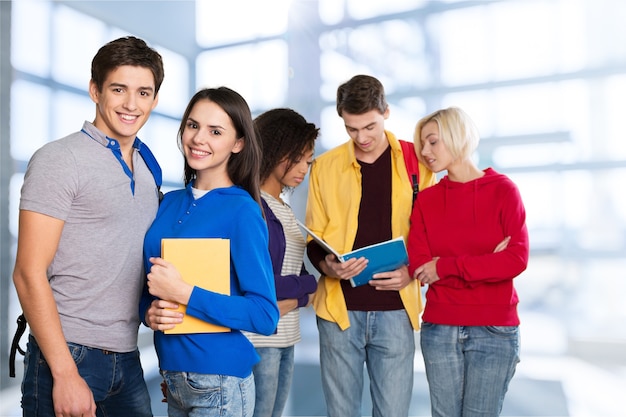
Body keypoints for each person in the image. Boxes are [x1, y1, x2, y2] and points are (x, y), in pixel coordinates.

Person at [11, 36, 164, 417]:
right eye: (119, 89)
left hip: (129, 357)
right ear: (95, 90)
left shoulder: (148, 167)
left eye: (143, 92)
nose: (132, 104)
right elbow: (28, 273)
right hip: (68, 354)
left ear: (155, 99)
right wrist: (64, 374)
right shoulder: (60, 159)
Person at [140, 87, 280, 417]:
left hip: (221, 382)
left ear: (238, 143)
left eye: (215, 131)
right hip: (173, 378)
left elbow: (264, 315)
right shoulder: (168, 202)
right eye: (193, 126)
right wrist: (149, 313)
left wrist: (184, 292)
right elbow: (149, 284)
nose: (198, 138)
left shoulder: (242, 211)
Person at [304, 74, 436, 417]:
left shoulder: (417, 163)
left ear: (387, 113)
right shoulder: (325, 167)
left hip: (396, 312)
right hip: (338, 312)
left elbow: (433, 234)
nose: (361, 137)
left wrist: (411, 273)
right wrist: (329, 266)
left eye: (370, 127)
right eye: (351, 129)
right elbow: (313, 239)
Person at [407, 106, 529, 417]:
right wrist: (487, 262)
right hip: (440, 328)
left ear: (456, 136)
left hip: (494, 330)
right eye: (422, 144)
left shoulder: (503, 191)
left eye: (433, 142)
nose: (425, 151)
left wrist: (445, 266)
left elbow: (515, 260)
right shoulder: (427, 200)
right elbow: (420, 267)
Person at [245, 108, 320, 417]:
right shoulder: (252, 205)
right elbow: (261, 283)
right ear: (274, 149)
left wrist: (300, 291)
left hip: (286, 336)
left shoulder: (284, 208)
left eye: (309, 161)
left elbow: (294, 273)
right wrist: (310, 285)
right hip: (259, 338)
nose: (304, 168)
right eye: (298, 157)